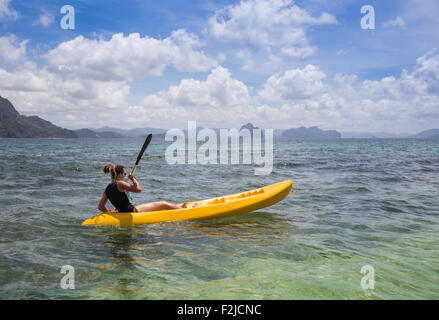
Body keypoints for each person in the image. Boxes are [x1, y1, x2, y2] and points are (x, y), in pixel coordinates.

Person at [98, 163, 194, 213]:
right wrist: (133, 179)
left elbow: (101, 207)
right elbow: (138, 189)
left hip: (123, 212)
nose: (125, 175)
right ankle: (186, 211)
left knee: (159, 206)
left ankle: (179, 207)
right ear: (119, 174)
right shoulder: (121, 183)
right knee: (162, 204)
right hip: (133, 211)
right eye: (124, 173)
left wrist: (110, 212)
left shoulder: (107, 188)